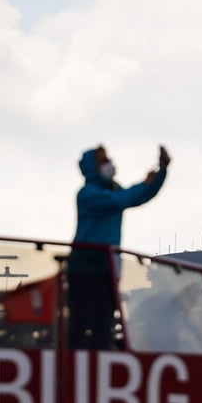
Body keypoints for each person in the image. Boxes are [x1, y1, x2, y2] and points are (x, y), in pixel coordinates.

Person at [68, 144, 171, 348]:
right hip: (85, 267)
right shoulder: (87, 194)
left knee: (103, 324)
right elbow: (121, 200)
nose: (110, 163)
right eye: (103, 161)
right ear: (92, 167)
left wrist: (161, 172)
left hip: (107, 267)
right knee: (81, 323)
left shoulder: (113, 191)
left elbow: (139, 196)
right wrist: (145, 183)